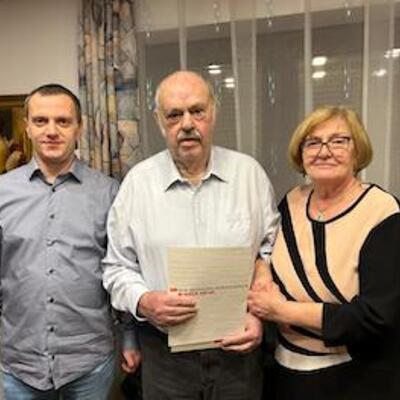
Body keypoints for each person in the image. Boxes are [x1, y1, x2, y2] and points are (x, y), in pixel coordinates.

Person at [102, 70, 279, 399]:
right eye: (174, 114)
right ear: (159, 121)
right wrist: (144, 301)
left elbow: (270, 251)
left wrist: (259, 314)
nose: (186, 124)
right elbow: (116, 267)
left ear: (213, 112)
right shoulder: (137, 185)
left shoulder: (249, 175)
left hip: (239, 350)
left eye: (197, 111)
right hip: (166, 356)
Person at [248, 105, 400, 399]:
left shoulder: (382, 211)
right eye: (313, 142)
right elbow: (264, 250)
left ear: (358, 151)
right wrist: (263, 274)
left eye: (339, 141)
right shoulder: (291, 201)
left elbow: (376, 316)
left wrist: (281, 310)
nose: (324, 151)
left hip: (356, 376)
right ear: (301, 154)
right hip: (284, 370)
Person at [0, 83, 137, 400]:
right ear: (27, 126)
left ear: (79, 127)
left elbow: (123, 268)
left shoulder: (108, 193)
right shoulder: (2, 193)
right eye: (41, 121)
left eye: (62, 121)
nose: (51, 131)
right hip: (20, 361)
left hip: (90, 361)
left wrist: (130, 337)